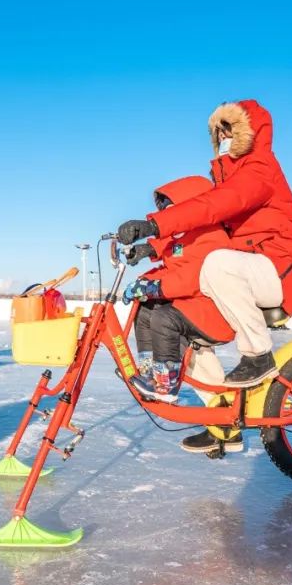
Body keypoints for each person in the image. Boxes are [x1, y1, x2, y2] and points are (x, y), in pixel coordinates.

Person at [117, 99, 292, 453]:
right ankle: (221, 417)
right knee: (177, 316)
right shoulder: (226, 177)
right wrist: (154, 244)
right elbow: (199, 231)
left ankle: (258, 353)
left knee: (217, 263)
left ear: (249, 132)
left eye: (230, 129)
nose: (223, 136)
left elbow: (214, 207)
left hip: (281, 270)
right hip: (245, 272)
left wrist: (154, 225)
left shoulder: (259, 169)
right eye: (217, 131)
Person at [122, 176, 236, 418]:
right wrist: (144, 281)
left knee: (164, 318)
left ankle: (165, 385)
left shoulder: (212, 237)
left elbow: (194, 277)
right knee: (145, 310)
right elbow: (172, 265)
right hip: (192, 309)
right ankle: (151, 370)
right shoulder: (187, 236)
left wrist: (156, 287)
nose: (171, 217)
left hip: (213, 311)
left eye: (175, 211)